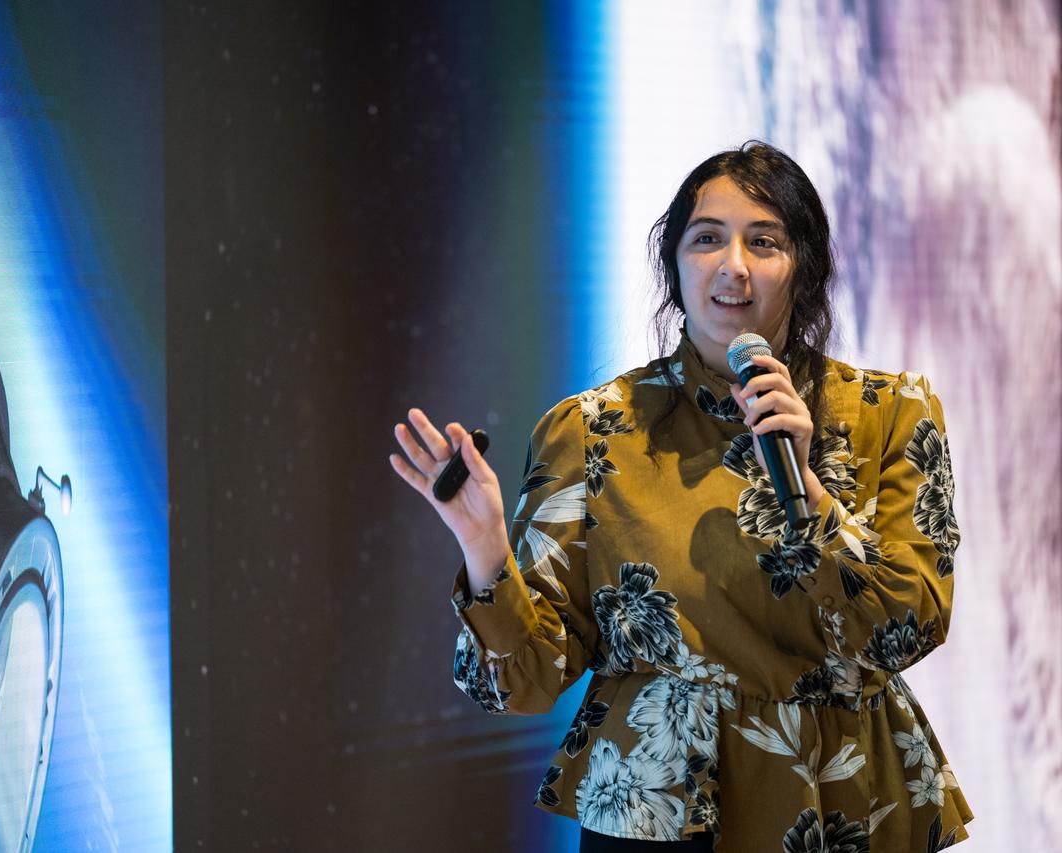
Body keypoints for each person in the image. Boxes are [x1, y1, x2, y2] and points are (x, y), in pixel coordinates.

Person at [388, 141, 972, 851]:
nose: (734, 265)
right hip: (658, 807)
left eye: (765, 241)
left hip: (843, 800)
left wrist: (809, 492)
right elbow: (525, 682)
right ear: (675, 266)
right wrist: (483, 545)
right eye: (706, 239)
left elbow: (912, 624)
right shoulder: (592, 430)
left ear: (806, 268)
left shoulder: (893, 412)